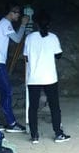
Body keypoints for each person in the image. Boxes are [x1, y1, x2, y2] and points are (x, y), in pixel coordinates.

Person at [0, 3, 29, 132]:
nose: (19, 16)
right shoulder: (5, 24)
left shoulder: (1, 24)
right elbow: (18, 39)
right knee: (6, 90)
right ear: (11, 13)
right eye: (17, 13)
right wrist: (24, 24)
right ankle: (11, 123)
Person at [23, 12, 70, 144]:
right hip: (50, 77)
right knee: (54, 106)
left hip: (34, 78)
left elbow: (26, 57)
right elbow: (59, 55)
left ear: (36, 24)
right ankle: (58, 133)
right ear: (49, 24)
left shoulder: (30, 38)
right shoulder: (53, 38)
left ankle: (34, 136)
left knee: (33, 107)